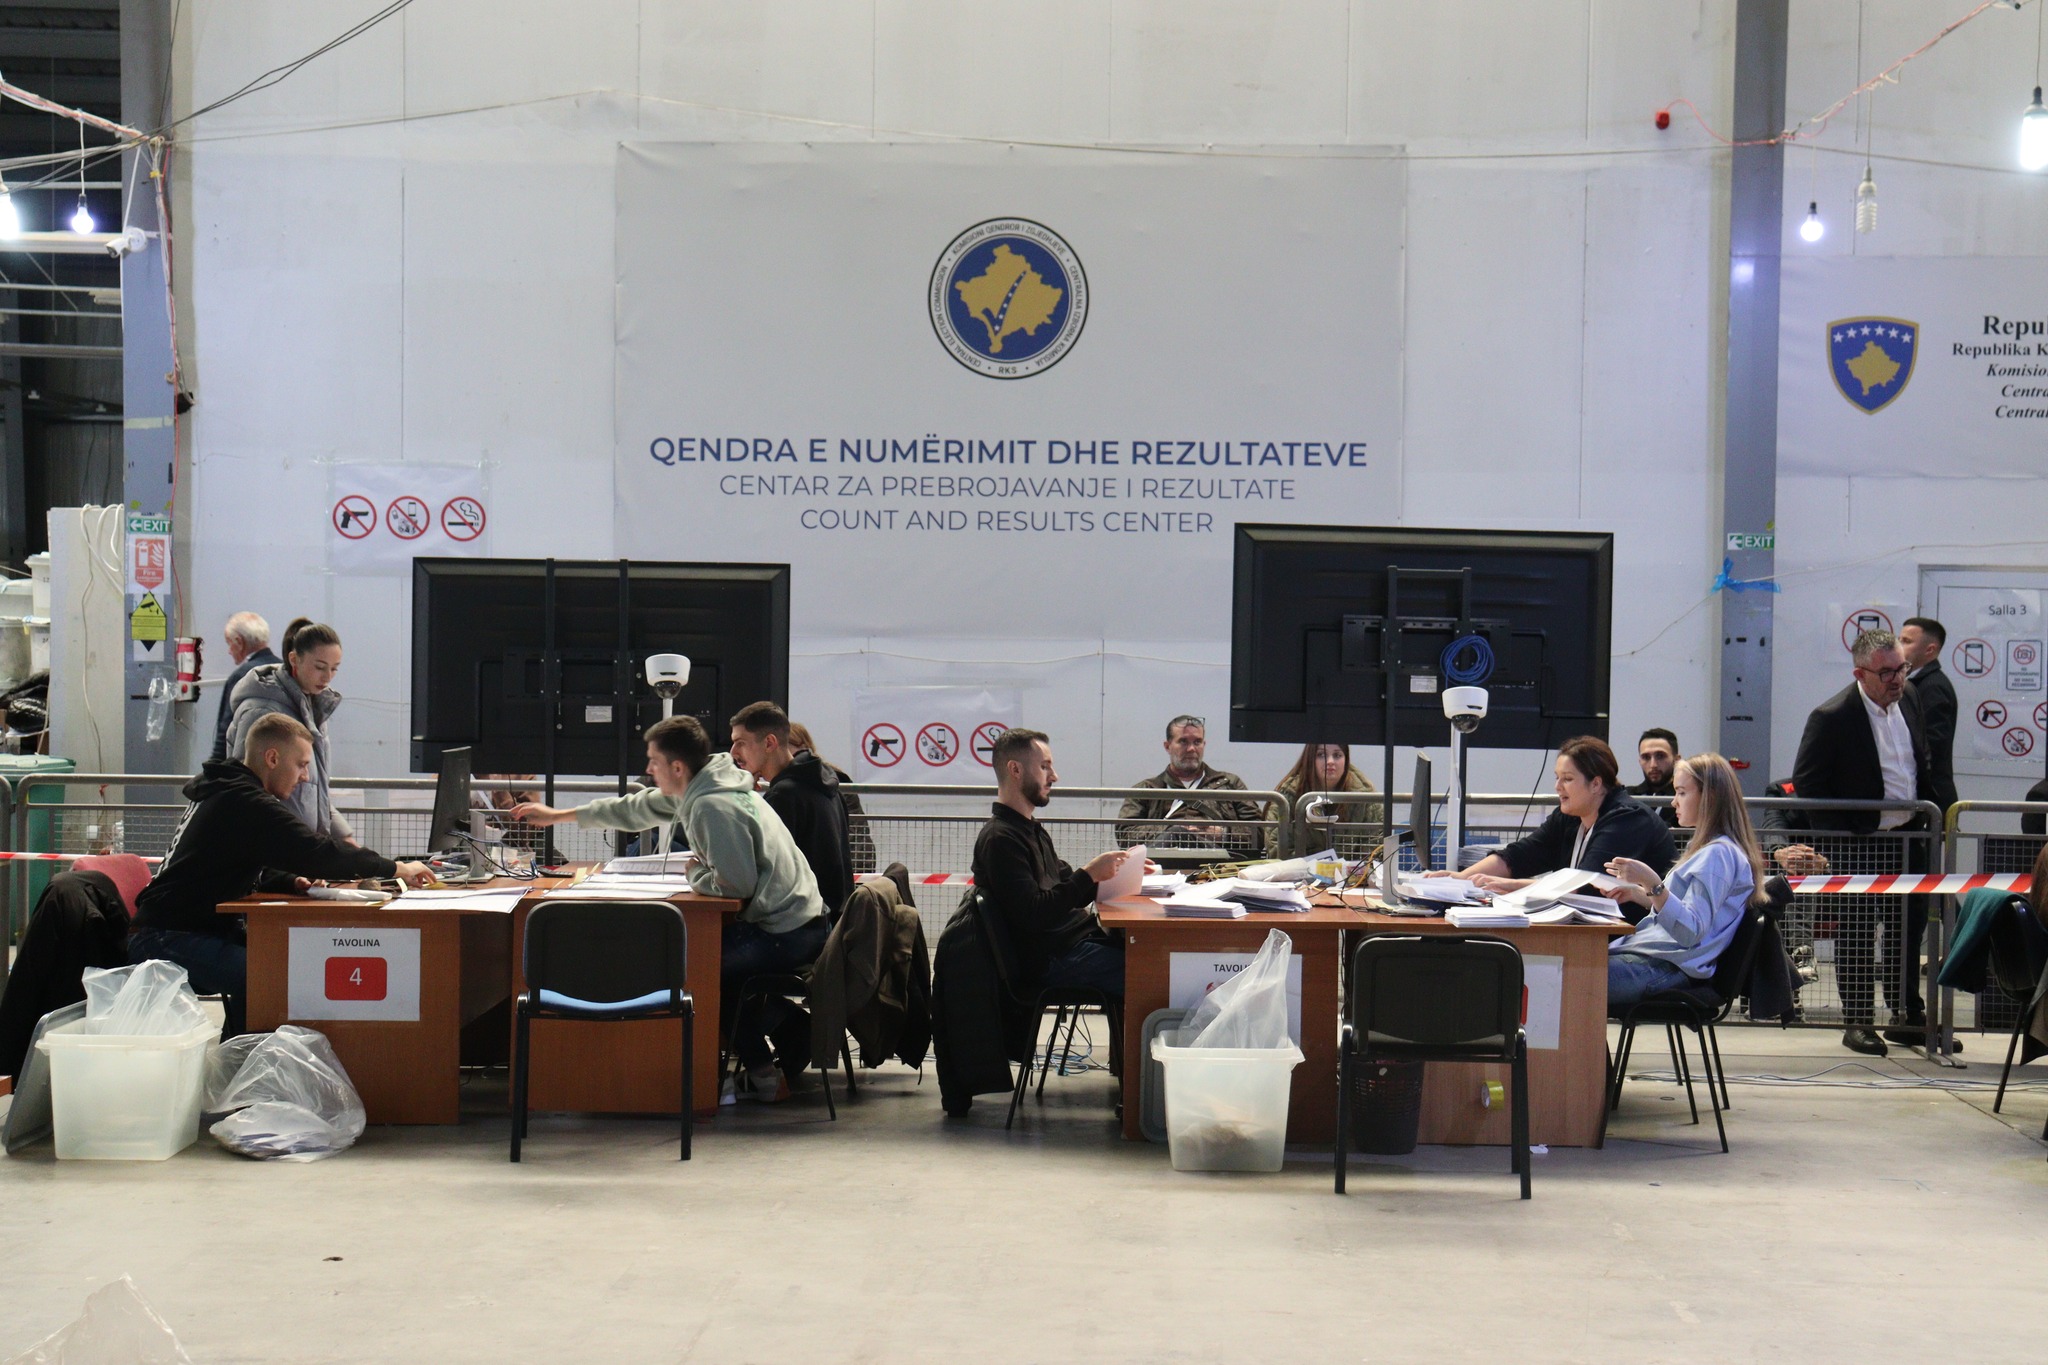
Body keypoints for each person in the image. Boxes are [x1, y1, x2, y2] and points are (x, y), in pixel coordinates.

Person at [512, 716, 826, 1100]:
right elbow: (637, 808)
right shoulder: (704, 785)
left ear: (677, 768)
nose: (648, 769)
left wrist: (696, 874)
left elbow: (737, 885)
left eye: (654, 761)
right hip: (795, 921)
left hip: (788, 932)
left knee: (692, 971)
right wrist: (559, 816)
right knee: (699, 965)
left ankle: (764, 1078)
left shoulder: (712, 806)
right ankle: (790, 1034)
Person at [127, 714, 434, 1038]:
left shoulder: (227, 790)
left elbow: (232, 860)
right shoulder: (244, 801)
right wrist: (397, 868)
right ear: (272, 758)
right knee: (273, 980)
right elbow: (319, 853)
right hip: (164, 939)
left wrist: (289, 881)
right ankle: (244, 1064)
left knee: (284, 963)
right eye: (301, 764)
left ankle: (240, 1059)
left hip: (180, 930)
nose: (305, 776)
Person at [1791, 628, 1934, 1057]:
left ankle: (1906, 1015)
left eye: (1902, 668)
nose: (1897, 679)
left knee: (1907, 929)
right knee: (1856, 931)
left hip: (1908, 837)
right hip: (1859, 841)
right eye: (1886, 672)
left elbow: (1920, 761)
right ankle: (1858, 1020)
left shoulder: (1910, 698)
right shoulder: (1832, 716)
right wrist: (1840, 840)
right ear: (1860, 673)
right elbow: (1808, 784)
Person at [974, 728, 1130, 998]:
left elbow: (1068, 891)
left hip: (1071, 945)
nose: (1054, 776)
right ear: (1015, 769)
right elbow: (1035, 913)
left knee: (1149, 958)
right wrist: (1089, 874)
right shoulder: (1001, 839)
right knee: (1151, 973)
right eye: (1044, 767)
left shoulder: (1028, 829)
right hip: (1053, 959)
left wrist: (1120, 874)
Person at [1601, 753, 1766, 1008]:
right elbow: (1689, 913)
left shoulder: (1717, 855)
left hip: (1664, 967)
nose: (1673, 801)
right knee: (1564, 971)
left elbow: (1690, 930)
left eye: (1681, 792)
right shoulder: (1714, 850)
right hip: (1660, 962)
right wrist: (1639, 893)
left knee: (1562, 977)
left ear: (1709, 797)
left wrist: (1652, 884)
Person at [1433, 735, 1675, 893]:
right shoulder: (1569, 815)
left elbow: (1584, 885)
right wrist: (1460, 879)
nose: (1558, 786)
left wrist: (1510, 886)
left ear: (1596, 784)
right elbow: (1519, 855)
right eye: (1557, 778)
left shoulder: (1627, 819)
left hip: (1635, 937)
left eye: (1567, 779)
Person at [224, 619, 354, 843]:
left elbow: (315, 790)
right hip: (277, 846)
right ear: (294, 659)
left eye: (334, 669)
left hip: (301, 845)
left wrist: (343, 836)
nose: (327, 677)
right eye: (320, 667)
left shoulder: (313, 710)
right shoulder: (261, 711)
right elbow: (246, 790)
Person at [729, 700, 854, 914]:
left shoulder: (784, 796)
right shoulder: (823, 784)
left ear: (769, 743)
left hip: (802, 923)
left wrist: (740, 796)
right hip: (833, 919)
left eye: (740, 743)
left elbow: (751, 871)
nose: (733, 752)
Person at [1114, 714, 1262, 853]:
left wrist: (1222, 833)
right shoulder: (1147, 789)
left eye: (1197, 742)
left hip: (1217, 862)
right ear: (1167, 746)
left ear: (1204, 744)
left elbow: (1260, 833)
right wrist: (1173, 828)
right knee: (1177, 833)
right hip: (1162, 860)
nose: (1191, 749)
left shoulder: (1230, 784)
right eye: (1183, 741)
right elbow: (1125, 835)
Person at [1264, 742, 1382, 858]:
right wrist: (1312, 865)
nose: (1330, 761)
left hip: (1350, 870)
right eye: (1321, 755)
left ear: (1346, 759)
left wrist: (1350, 867)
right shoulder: (1289, 793)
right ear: (1310, 759)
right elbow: (1276, 846)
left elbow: (1375, 845)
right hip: (1302, 869)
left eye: (1337, 755)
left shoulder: (1365, 795)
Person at [788, 721, 873, 874]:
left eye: (786, 747)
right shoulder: (829, 776)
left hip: (847, 862)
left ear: (803, 746)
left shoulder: (826, 779)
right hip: (847, 861)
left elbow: (855, 831)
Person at [1899, 616, 1958, 811]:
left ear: (1929, 650)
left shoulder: (1932, 687)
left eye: (1906, 641)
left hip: (1931, 797)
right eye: (1899, 640)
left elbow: (1932, 744)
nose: (1898, 646)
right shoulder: (1913, 682)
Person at [208, 612, 278, 764]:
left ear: (239, 642)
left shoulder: (242, 677)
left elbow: (226, 732)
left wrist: (213, 768)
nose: (229, 651)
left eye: (229, 643)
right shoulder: (285, 671)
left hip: (246, 765)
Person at [1628, 728, 1683, 828]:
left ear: (1677, 760)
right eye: (1646, 757)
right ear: (1640, 761)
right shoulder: (1627, 796)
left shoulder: (1685, 799)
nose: (1653, 765)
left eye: (1660, 756)